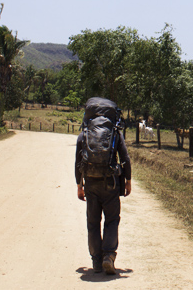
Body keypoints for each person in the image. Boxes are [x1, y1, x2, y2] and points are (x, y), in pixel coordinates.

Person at [75, 97, 132, 275]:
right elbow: (125, 159)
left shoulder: (84, 133)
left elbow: (78, 161)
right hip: (111, 183)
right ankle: (109, 255)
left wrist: (79, 185)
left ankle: (96, 261)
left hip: (91, 182)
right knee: (112, 220)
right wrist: (128, 181)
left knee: (93, 223)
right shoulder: (115, 133)